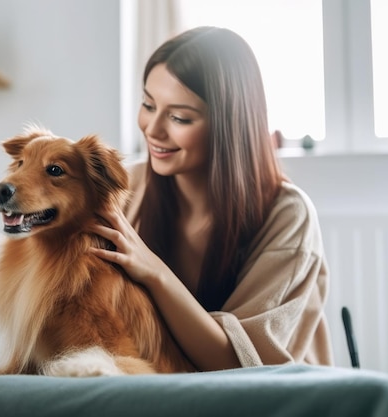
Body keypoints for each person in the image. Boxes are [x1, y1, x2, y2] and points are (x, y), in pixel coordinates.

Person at [90, 26, 333, 371]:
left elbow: (242, 365)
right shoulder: (128, 187)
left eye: (179, 117)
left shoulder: (289, 216)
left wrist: (154, 272)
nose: (152, 129)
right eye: (148, 104)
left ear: (229, 124)